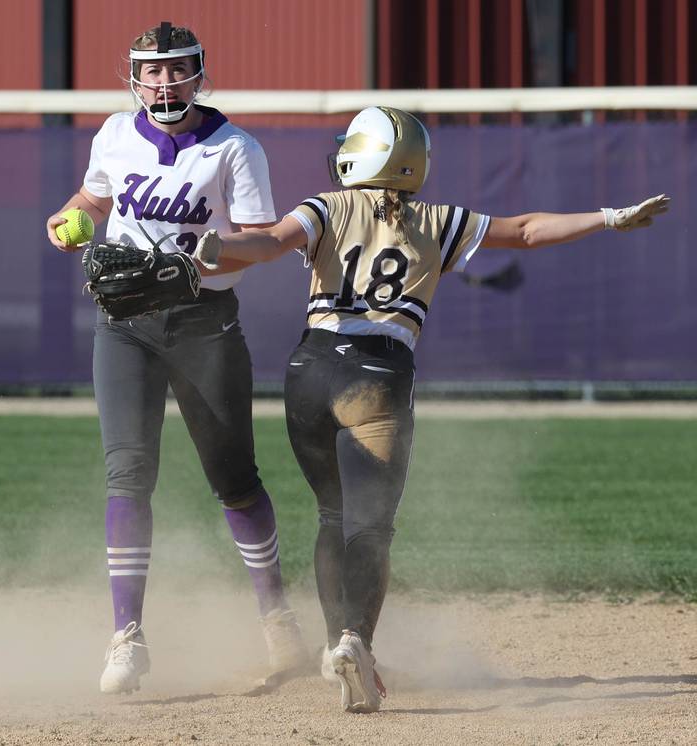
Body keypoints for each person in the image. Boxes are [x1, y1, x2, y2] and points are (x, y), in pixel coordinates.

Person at [193, 106, 670, 713]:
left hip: (308, 371)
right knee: (372, 525)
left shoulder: (324, 206)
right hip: (379, 376)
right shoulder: (439, 220)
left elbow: (267, 243)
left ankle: (336, 639)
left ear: (360, 156)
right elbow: (526, 229)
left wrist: (220, 246)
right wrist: (609, 217)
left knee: (332, 515)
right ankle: (354, 643)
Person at [45, 21, 306, 695]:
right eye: (151, 70)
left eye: (176, 68)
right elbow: (95, 200)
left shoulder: (234, 148)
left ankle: (275, 613)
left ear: (199, 72)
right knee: (127, 474)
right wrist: (67, 216)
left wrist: (199, 261)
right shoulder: (113, 132)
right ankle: (126, 637)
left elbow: (263, 242)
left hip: (204, 323)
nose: (163, 81)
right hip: (124, 323)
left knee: (234, 479)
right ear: (134, 77)